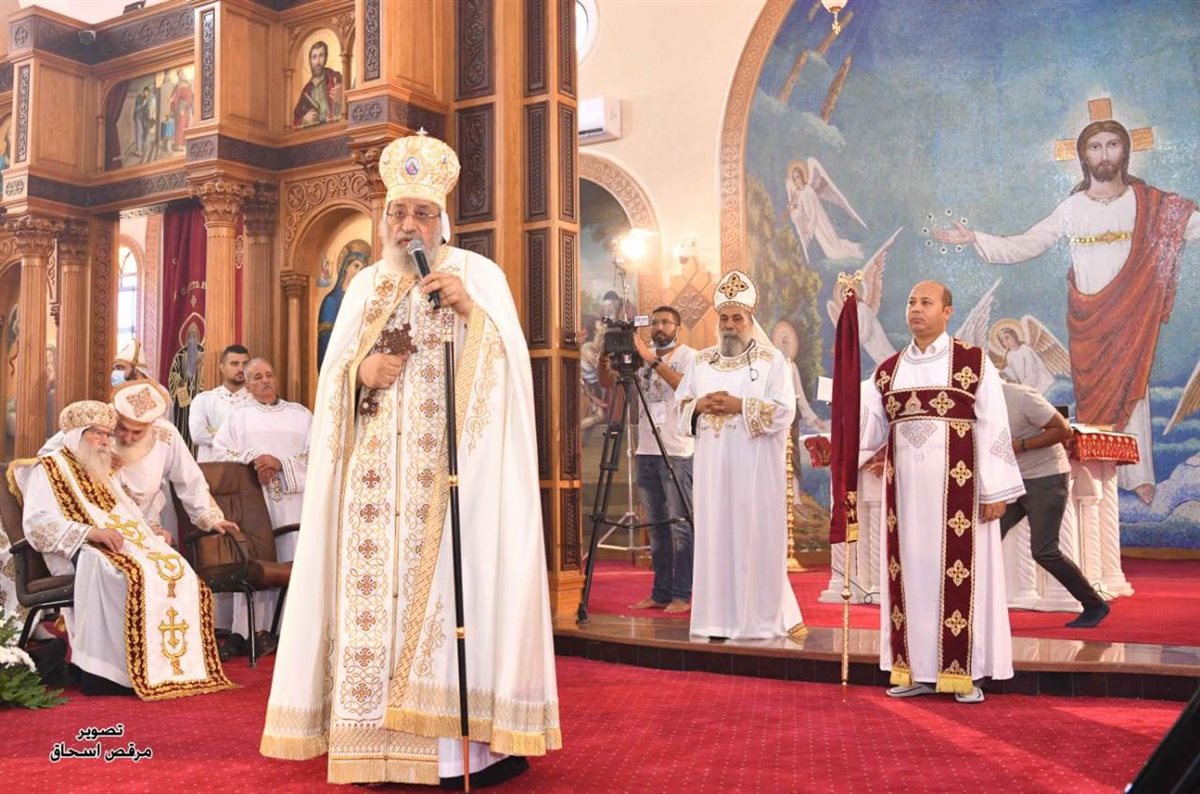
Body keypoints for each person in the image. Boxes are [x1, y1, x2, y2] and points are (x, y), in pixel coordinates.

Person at [260, 131, 560, 787]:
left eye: (421, 213)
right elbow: (332, 383)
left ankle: (462, 755)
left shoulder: (478, 276)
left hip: (452, 484)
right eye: (398, 212)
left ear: (441, 220)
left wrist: (470, 313)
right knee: (372, 614)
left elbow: (511, 375)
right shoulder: (365, 285)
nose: (408, 224)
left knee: (455, 603)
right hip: (371, 490)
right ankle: (372, 748)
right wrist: (359, 373)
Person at [934, 120, 1200, 504]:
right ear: (1083, 156)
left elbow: (1190, 225)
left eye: (1112, 145)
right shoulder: (1072, 208)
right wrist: (976, 237)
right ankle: (1097, 474)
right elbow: (1027, 244)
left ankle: (1137, 475)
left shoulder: (1149, 203)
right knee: (1091, 397)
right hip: (1089, 322)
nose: (1104, 154)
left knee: (1135, 390)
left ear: (1125, 151)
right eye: (1095, 146)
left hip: (1132, 318)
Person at [860, 281, 1025, 704]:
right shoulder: (887, 371)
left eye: (926, 302)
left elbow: (994, 425)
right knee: (909, 579)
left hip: (961, 500)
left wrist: (995, 489)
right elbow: (868, 431)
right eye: (911, 302)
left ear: (947, 312)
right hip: (905, 504)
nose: (916, 309)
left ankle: (964, 673)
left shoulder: (973, 362)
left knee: (961, 578)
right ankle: (913, 669)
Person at [12, 400, 234, 699]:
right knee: (125, 573)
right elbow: (37, 524)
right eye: (97, 434)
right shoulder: (48, 468)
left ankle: (168, 666)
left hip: (116, 544)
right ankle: (107, 674)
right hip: (76, 549)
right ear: (77, 433)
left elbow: (127, 511)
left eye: (107, 434)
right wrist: (90, 532)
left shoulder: (102, 468)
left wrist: (150, 530)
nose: (105, 441)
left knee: (174, 566)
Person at [676, 270, 805, 640]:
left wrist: (740, 406)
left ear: (750, 319)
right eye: (724, 318)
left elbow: (784, 411)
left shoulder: (771, 361)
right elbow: (680, 406)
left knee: (753, 538)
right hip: (712, 471)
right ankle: (715, 620)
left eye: (737, 318)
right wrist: (699, 405)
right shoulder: (701, 361)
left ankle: (755, 620)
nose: (730, 325)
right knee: (715, 536)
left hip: (754, 470)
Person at [213, 357, 312, 651]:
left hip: (294, 503)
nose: (265, 381)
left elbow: (320, 452)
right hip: (254, 501)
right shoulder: (237, 417)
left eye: (269, 375)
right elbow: (221, 453)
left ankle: (290, 631)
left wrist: (280, 463)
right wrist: (255, 460)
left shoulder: (301, 415)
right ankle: (250, 631)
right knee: (258, 558)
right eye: (257, 377)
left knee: (293, 557)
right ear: (247, 384)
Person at [1000, 380, 1109, 628]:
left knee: (1044, 550)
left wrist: (1021, 445)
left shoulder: (1020, 396)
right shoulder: (976, 403)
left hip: (1046, 477)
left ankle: (1094, 604)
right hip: (1011, 479)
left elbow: (1063, 430)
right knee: (986, 539)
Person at [622, 306, 696, 614]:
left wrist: (650, 359)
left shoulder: (690, 357)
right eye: (654, 323)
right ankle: (660, 592)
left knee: (680, 526)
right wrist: (608, 357)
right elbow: (614, 386)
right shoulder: (642, 357)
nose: (659, 327)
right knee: (656, 527)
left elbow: (685, 388)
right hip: (647, 451)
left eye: (666, 322)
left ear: (678, 327)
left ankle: (682, 594)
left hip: (677, 451)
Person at [189, 344, 252, 463]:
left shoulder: (256, 402)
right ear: (222, 367)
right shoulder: (204, 400)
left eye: (245, 364)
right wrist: (239, 437)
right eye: (234, 364)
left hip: (247, 469)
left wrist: (215, 432)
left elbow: (256, 438)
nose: (241, 369)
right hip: (211, 468)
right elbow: (198, 434)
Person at [293, 40, 344, 128]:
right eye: (314, 57)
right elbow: (296, 118)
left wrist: (342, 97)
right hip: (316, 131)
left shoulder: (335, 77)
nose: (318, 61)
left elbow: (352, 101)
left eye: (321, 55)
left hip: (335, 127)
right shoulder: (307, 90)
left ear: (326, 58)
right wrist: (304, 120)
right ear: (310, 61)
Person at [996, 325, 1055, 393]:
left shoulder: (1025, 349)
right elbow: (1014, 374)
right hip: (1027, 387)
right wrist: (1004, 373)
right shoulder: (1009, 356)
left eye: (1007, 338)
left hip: (1043, 385)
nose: (1006, 342)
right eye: (1002, 341)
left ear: (1014, 335)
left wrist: (1025, 389)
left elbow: (1031, 372)